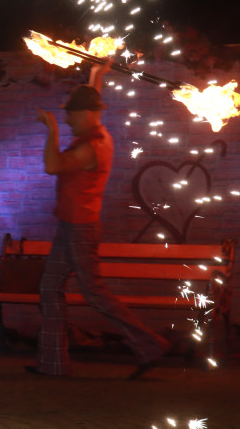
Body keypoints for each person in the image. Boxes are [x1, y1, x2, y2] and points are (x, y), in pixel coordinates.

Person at [28, 64, 169, 378]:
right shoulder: (95, 129)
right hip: (71, 225)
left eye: (70, 114)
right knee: (50, 287)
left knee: (95, 294)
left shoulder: (92, 146)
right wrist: (98, 73)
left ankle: (150, 345)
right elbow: (93, 99)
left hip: (80, 228)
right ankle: (52, 364)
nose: (66, 119)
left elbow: (53, 166)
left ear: (87, 114)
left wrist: (51, 129)